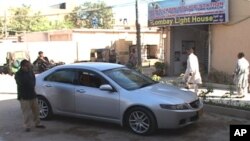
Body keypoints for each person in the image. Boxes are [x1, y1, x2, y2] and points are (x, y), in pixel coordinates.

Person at [15, 59, 45, 132]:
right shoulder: (18, 74)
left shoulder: (30, 72)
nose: (28, 67)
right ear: (22, 66)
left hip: (32, 94)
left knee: (36, 110)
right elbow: (21, 83)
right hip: (24, 96)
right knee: (26, 112)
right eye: (27, 66)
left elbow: (33, 80)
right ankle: (27, 126)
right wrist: (29, 83)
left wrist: (32, 85)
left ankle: (37, 123)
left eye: (29, 66)